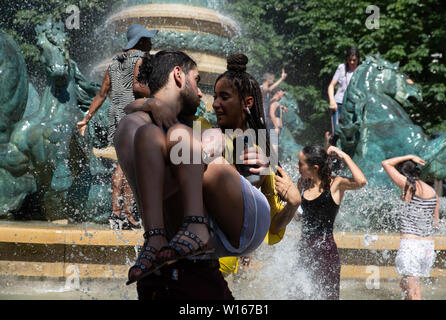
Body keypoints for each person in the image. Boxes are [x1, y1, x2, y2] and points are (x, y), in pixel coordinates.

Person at [120, 52, 299, 298]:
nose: (214, 103)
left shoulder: (262, 153)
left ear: (246, 103)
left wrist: (293, 204)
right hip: (198, 258)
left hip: (218, 255)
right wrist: (149, 103)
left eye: (224, 97)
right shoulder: (201, 125)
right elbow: (148, 110)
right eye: (215, 96)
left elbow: (272, 230)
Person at [76, 24, 158, 229]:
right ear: (140, 41)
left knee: (124, 164)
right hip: (132, 116)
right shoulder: (141, 59)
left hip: (116, 117)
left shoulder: (114, 62)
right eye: (147, 39)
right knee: (131, 166)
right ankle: (125, 214)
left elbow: (102, 93)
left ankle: (119, 213)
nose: (150, 43)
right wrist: (159, 93)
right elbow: (139, 87)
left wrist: (87, 117)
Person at [279, 144, 366, 300]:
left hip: (325, 251)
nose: (297, 166)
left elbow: (361, 182)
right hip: (304, 249)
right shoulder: (302, 184)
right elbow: (300, 217)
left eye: (301, 163)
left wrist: (344, 156)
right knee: (297, 294)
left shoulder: (336, 184)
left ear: (315, 167)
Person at [382, 155, 439, 300]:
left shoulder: (408, 185)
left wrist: (410, 156)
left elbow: (386, 163)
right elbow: (435, 223)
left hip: (411, 246)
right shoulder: (433, 193)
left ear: (403, 173)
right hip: (428, 247)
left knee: (414, 293)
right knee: (406, 286)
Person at [327, 46, 360, 138]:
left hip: (353, 106)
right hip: (339, 104)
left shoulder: (361, 70)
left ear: (358, 59)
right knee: (336, 133)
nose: (352, 62)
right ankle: (332, 147)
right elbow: (331, 85)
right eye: (350, 60)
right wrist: (332, 101)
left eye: (354, 60)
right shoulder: (342, 67)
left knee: (352, 134)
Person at [268, 87, 287, 153]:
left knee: (274, 146)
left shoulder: (275, 102)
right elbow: (271, 113)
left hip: (275, 127)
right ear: (278, 92)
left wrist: (281, 107)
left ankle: (272, 162)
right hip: (274, 127)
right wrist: (276, 127)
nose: (283, 94)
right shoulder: (274, 101)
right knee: (274, 147)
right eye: (282, 92)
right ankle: (273, 162)